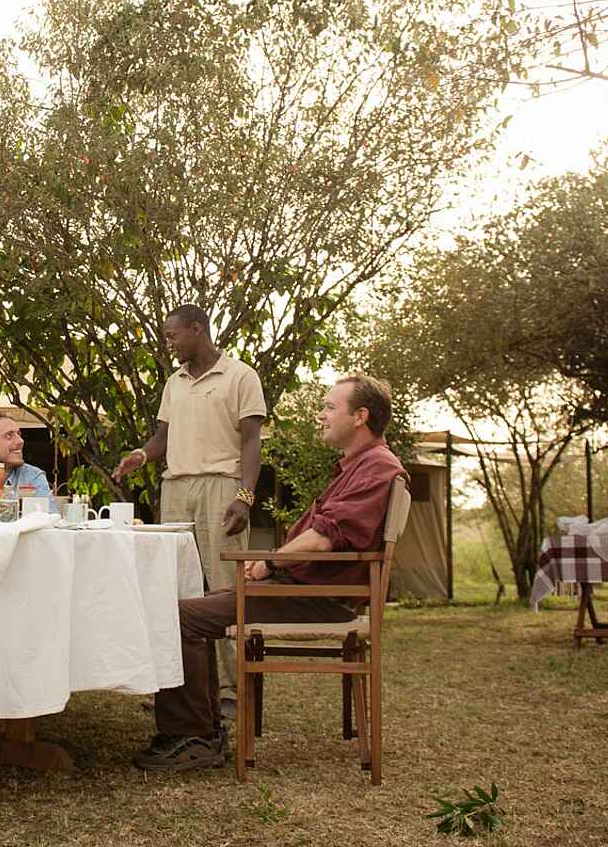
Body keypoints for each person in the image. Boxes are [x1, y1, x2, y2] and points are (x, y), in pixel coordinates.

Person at [131, 373, 406, 772]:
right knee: (191, 609)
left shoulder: (377, 467)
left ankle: (193, 737)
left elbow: (324, 540)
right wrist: (271, 566)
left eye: (330, 407)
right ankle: (204, 729)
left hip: (319, 600)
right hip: (303, 589)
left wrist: (271, 561)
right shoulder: (357, 466)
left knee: (179, 617)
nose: (321, 415)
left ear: (360, 416)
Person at [114, 304, 266, 717]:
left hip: (222, 485)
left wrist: (245, 497)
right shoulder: (173, 383)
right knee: (173, 589)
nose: (169, 343)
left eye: (172, 335)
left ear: (197, 330)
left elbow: (252, 442)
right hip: (176, 487)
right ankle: (176, 686)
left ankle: (234, 691)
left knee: (225, 588)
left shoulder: (240, 376)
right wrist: (142, 456)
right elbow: (165, 435)